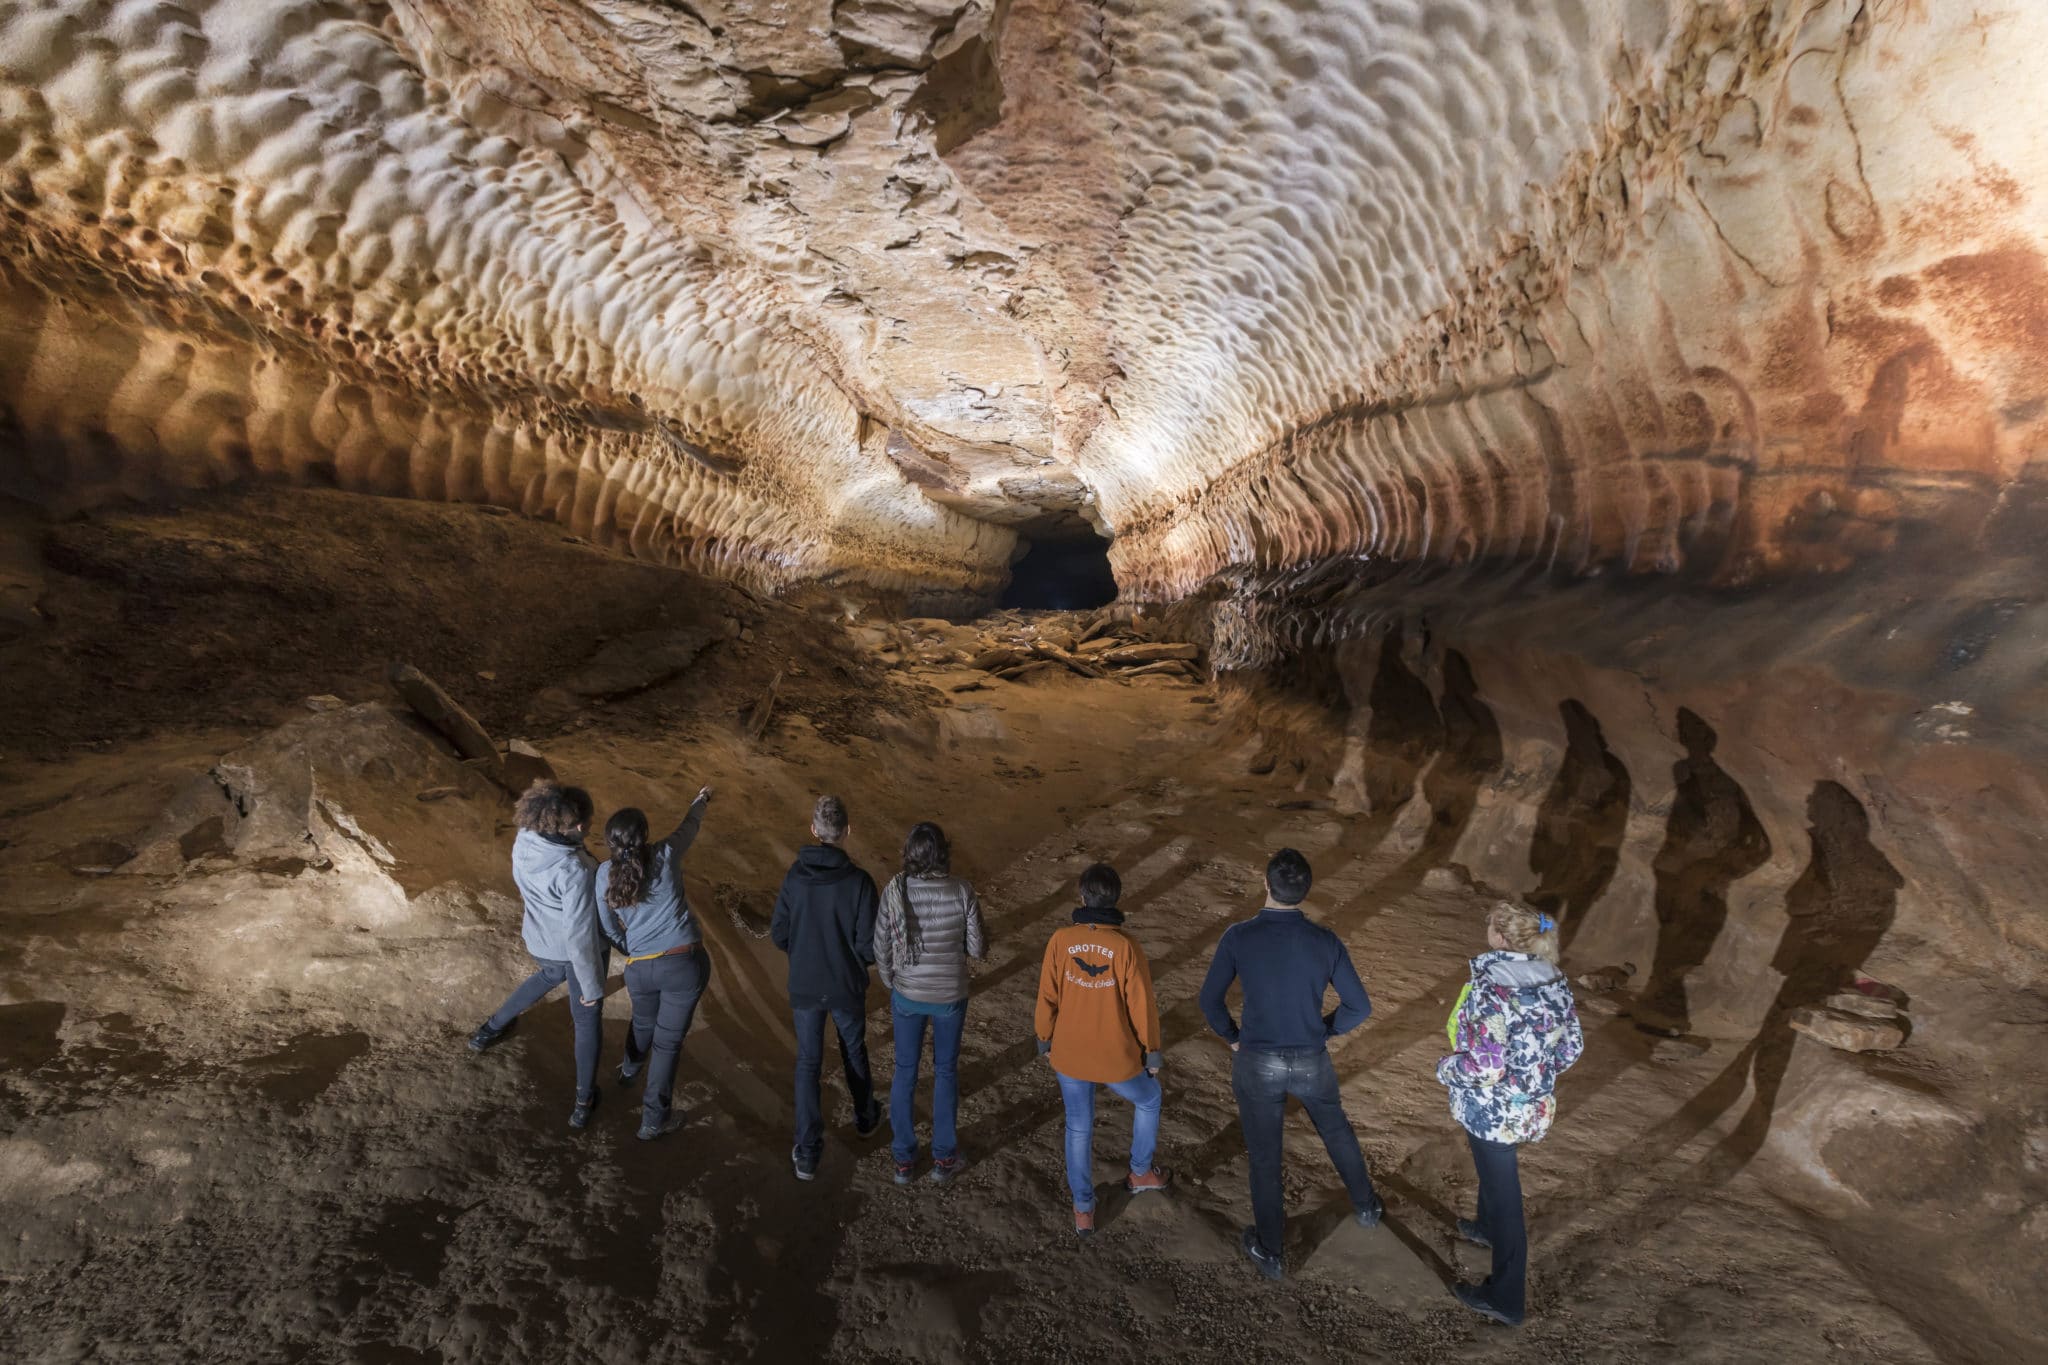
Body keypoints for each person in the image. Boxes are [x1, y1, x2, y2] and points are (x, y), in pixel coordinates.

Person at [1198, 848, 1381, 1281]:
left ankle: (1272, 1250)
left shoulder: (1238, 937)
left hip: (1257, 1060)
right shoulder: (1325, 941)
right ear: (1305, 892)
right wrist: (1326, 1030)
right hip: (1309, 1057)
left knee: (1265, 1156)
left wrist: (1233, 1037)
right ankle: (1367, 1207)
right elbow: (1359, 1005)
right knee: (1336, 1130)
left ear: (1266, 884)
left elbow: (1209, 1000)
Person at [1436, 900, 1585, 1327]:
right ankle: (1485, 1227)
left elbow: (1485, 1066)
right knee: (1493, 1172)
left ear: (1500, 938)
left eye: (1490, 926)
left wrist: (1445, 1069)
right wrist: (1535, 1077)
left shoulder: (1493, 987)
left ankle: (1506, 1299)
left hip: (1493, 1109)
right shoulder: (1554, 979)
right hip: (1531, 1105)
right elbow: (1571, 1047)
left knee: (1507, 1199)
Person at [1034, 862, 1170, 1237]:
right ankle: (1141, 1171)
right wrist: (1151, 1052)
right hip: (1117, 1059)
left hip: (1069, 1053)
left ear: (1081, 895)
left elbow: (1047, 995)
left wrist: (1044, 1038)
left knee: (1078, 1127)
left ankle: (1082, 1209)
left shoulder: (1061, 940)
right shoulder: (1125, 946)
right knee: (1149, 1099)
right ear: (1116, 898)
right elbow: (1142, 1005)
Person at [468, 780, 609, 1129]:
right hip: (570, 949)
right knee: (587, 1018)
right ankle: (583, 1099)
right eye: (587, 824)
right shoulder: (572, 868)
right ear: (577, 827)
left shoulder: (527, 838)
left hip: (540, 939)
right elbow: (579, 933)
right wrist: (591, 988)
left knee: (549, 975)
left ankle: (488, 1031)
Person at [771, 794, 883, 1181]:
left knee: (808, 1062)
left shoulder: (794, 877)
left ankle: (807, 1150)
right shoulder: (860, 883)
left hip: (805, 983)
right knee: (853, 1049)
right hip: (845, 984)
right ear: (847, 831)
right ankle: (866, 1117)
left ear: (813, 830)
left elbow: (779, 933)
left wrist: (802, 953)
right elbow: (869, 946)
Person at [595, 788, 715, 1141]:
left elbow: (606, 925)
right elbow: (689, 826)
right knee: (667, 1045)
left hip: (639, 968)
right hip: (683, 963)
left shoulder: (603, 874)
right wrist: (701, 800)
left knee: (643, 1023)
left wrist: (629, 947)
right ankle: (652, 1119)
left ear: (609, 840)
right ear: (645, 835)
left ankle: (629, 1071)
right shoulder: (664, 854)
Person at [874, 822, 987, 1185]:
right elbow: (977, 948)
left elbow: (881, 945)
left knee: (905, 1072)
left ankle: (904, 1161)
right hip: (949, 996)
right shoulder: (962, 890)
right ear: (943, 853)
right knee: (945, 1072)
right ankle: (943, 1158)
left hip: (907, 995)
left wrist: (893, 981)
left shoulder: (896, 889)